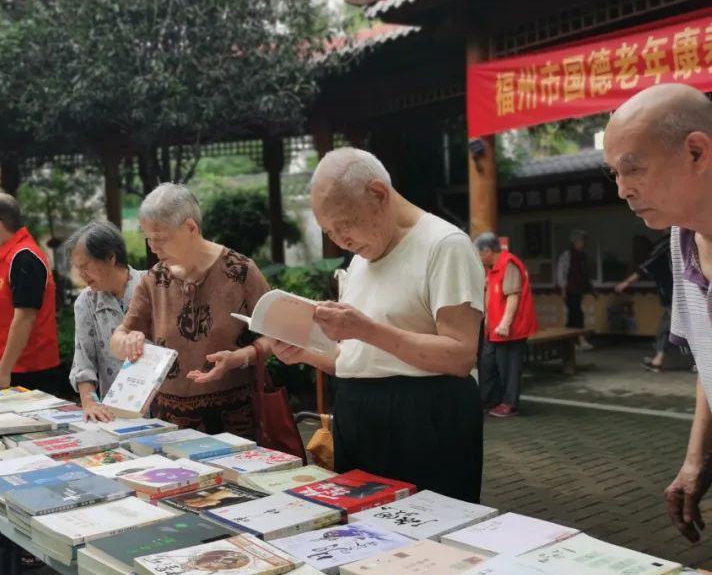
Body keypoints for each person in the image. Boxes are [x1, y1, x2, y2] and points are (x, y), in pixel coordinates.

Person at [272, 149, 485, 503]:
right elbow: (356, 358)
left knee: (428, 540)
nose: (341, 240)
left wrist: (365, 329)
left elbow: (460, 355)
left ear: (379, 194)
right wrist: (305, 353)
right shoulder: (359, 262)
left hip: (426, 415)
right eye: (329, 231)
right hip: (357, 412)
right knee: (360, 535)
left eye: (345, 224)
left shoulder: (444, 245)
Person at [602, 83, 712, 543]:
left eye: (633, 170)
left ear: (696, 152)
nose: (624, 190)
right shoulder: (680, 237)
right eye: (615, 174)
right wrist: (696, 460)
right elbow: (709, 364)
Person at [110, 183, 273, 436]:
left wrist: (240, 358)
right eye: (148, 238)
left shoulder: (240, 271)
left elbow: (277, 337)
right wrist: (128, 342)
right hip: (169, 422)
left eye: (160, 238)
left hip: (237, 420)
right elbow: (118, 340)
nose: (152, 247)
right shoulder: (154, 280)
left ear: (190, 228)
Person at [0, 194, 60, 393]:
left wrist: (4, 370)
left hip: (29, 371)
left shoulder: (24, 257)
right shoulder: (5, 257)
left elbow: (25, 317)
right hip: (5, 369)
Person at [65, 222, 144, 421]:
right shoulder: (86, 302)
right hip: (117, 413)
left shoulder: (151, 287)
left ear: (110, 257)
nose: (81, 275)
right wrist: (90, 402)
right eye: (77, 268)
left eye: (85, 266)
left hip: (163, 408)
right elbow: (84, 361)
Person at [475, 232, 538, 418]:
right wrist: (486, 319)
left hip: (510, 330)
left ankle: (509, 404)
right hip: (493, 329)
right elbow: (489, 295)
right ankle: (489, 400)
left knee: (508, 368)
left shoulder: (508, 264)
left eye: (477, 252)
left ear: (487, 251)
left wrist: (505, 323)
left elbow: (512, 295)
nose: (476, 257)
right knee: (488, 364)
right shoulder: (491, 267)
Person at [614, 233, 673, 371]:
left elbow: (646, 266)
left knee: (682, 327)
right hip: (671, 295)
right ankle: (658, 360)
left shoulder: (668, 243)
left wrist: (626, 283)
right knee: (666, 327)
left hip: (676, 294)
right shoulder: (666, 242)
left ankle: (702, 361)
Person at [555, 230, 595, 350]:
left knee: (575, 315)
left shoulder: (583, 256)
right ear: (575, 242)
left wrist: (591, 289)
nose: (582, 243)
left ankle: (572, 342)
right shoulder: (567, 255)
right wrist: (563, 288)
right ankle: (578, 340)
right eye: (580, 241)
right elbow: (561, 272)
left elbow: (585, 274)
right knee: (576, 314)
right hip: (570, 290)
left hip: (579, 290)